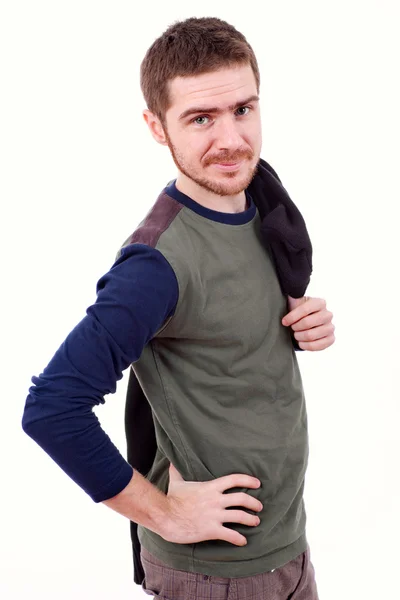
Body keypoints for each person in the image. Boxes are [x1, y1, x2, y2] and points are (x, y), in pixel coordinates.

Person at [22, 16, 335, 600]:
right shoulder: (154, 266)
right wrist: (164, 515)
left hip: (288, 548)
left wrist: (302, 322)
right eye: (200, 119)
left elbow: (228, 330)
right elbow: (52, 409)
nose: (231, 140)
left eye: (243, 109)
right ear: (156, 127)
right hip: (212, 575)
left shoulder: (264, 206)